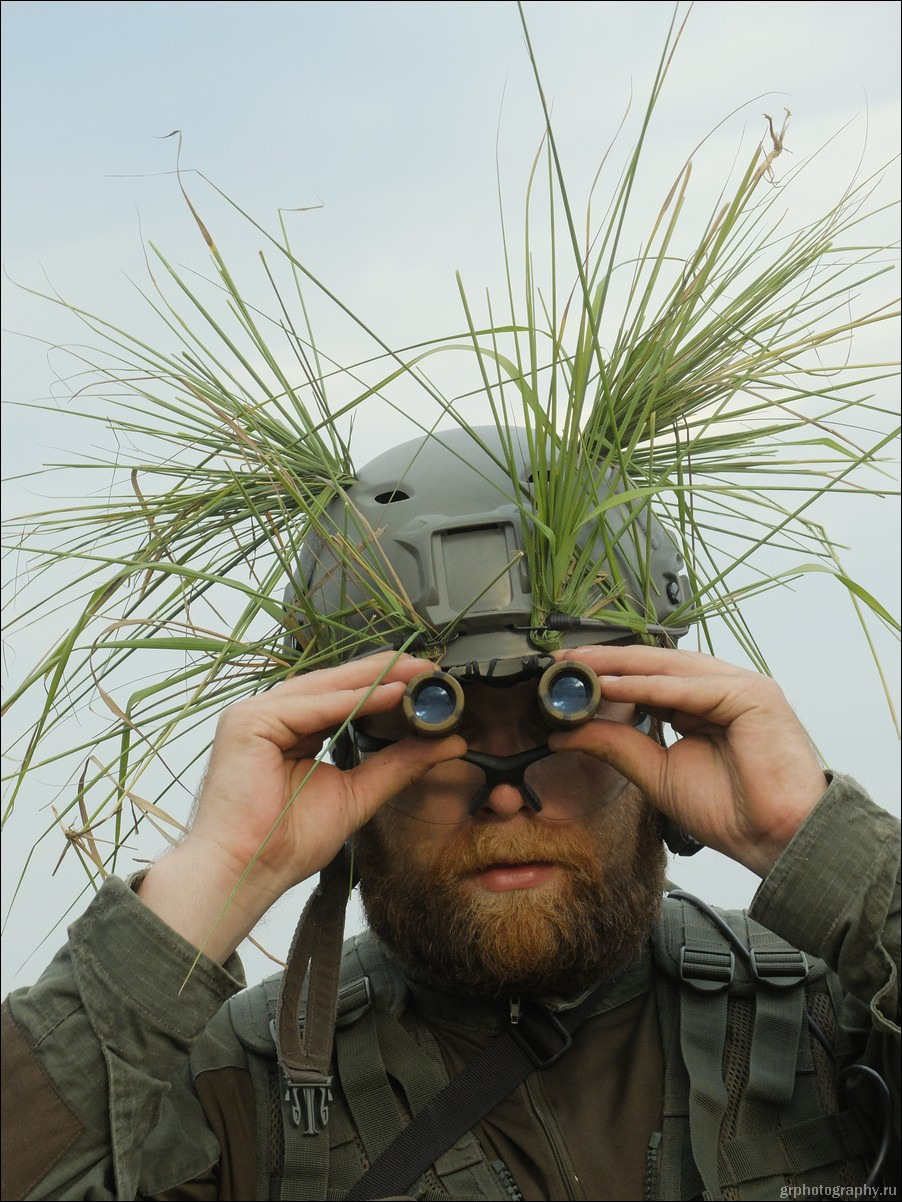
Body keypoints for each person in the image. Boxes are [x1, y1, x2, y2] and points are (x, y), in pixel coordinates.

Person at [2, 428, 899, 1201]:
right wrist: (214, 871)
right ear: (344, 758)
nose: (506, 791)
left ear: (662, 721)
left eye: (566, 717)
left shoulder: (839, 1021)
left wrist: (814, 844)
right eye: (431, 728)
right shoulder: (237, 1101)